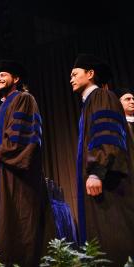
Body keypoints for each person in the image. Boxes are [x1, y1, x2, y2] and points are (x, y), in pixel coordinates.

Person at [0, 60, 53, 266]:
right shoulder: (0, 109)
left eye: (3, 74)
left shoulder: (23, 99)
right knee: (5, 226)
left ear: (16, 79)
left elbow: (21, 135)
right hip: (2, 175)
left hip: (19, 177)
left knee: (21, 225)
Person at [70, 54, 134, 266]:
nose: (71, 78)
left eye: (75, 74)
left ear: (90, 74)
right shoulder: (89, 103)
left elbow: (106, 136)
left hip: (108, 181)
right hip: (102, 180)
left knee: (113, 236)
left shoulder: (101, 97)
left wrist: (97, 170)